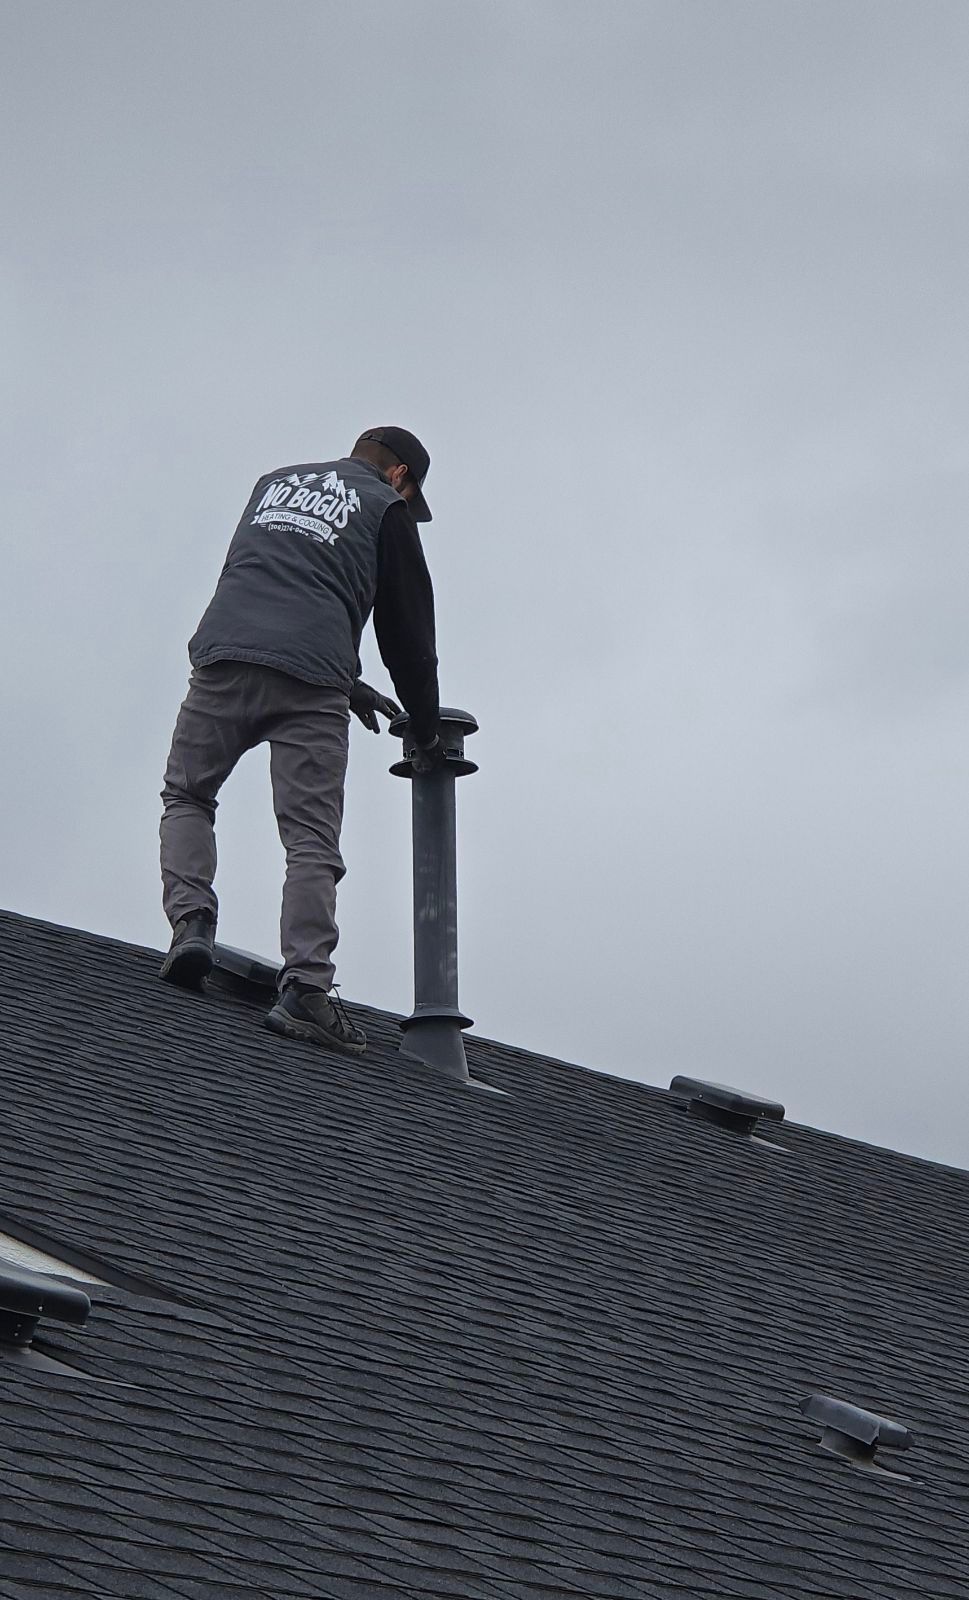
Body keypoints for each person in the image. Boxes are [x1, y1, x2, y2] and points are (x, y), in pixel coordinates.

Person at [158, 426, 442, 1057]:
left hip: (225, 657)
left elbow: (264, 576)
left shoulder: (274, 483)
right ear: (400, 476)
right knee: (310, 840)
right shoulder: (387, 510)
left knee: (188, 793)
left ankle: (191, 925)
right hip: (310, 684)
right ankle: (307, 990)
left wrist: (353, 683)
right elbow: (407, 630)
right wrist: (423, 727)